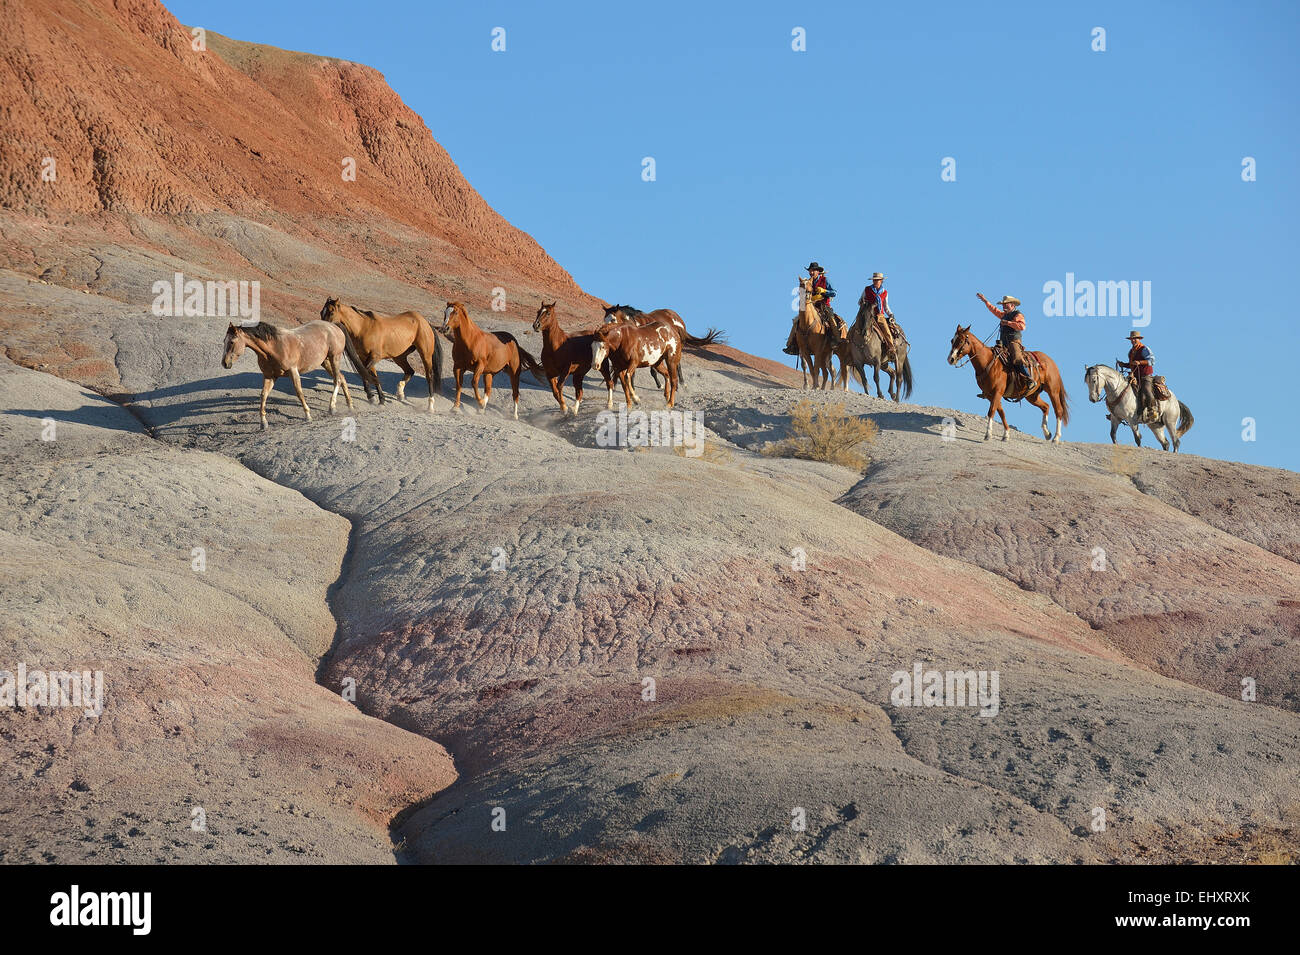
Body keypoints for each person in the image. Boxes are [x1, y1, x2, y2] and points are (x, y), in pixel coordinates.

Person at [977, 292, 1034, 389]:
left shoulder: (1017, 315)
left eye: (1005, 304)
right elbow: (994, 310)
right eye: (1003, 304)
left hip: (1014, 341)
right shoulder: (1004, 315)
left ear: (1012, 305)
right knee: (993, 357)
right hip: (1003, 342)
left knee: (1017, 357)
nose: (1003, 306)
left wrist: (1007, 323)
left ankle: (1029, 378)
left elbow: (1022, 326)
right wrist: (985, 301)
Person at [784, 262, 843, 354]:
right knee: (797, 321)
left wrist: (824, 291)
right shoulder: (808, 282)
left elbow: (834, 293)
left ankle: (836, 340)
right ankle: (791, 345)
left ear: (818, 272)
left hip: (824, 306)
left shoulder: (825, 280)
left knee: (831, 319)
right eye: (810, 271)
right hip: (811, 306)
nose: (811, 273)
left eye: (813, 271)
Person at [1118, 330, 1157, 422]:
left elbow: (1152, 361)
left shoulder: (1144, 349)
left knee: (1147, 390)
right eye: (1132, 339)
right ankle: (1119, 411)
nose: (1133, 341)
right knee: (1122, 389)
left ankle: (1153, 409)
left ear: (1139, 339)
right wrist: (1124, 364)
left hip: (1145, 375)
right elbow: (1132, 364)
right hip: (1135, 376)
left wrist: (1140, 362)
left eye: (1135, 339)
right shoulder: (1131, 352)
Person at [859, 272, 898, 358]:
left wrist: (890, 314)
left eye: (877, 280)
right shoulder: (867, 289)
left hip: (879, 316)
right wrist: (866, 304)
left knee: (886, 330)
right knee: (857, 327)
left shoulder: (885, 293)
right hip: (868, 314)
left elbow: (886, 306)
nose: (875, 281)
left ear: (881, 281)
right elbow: (860, 301)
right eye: (874, 280)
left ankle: (891, 348)